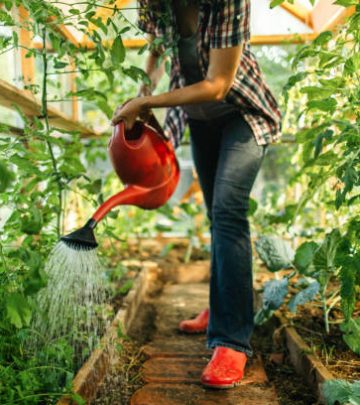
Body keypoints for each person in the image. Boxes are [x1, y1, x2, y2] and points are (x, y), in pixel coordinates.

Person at [111, 0, 282, 389]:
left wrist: (149, 102)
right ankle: (223, 308)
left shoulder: (227, 2)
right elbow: (157, 45)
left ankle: (231, 341)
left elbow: (218, 85)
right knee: (215, 215)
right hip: (201, 122)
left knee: (227, 211)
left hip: (242, 115)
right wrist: (142, 89)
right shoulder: (157, 3)